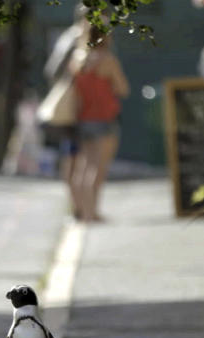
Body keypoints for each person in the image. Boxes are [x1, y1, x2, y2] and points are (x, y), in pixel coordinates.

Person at [68, 24, 129, 223]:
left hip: (83, 119)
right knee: (98, 168)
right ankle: (91, 212)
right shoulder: (107, 60)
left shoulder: (77, 60)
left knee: (83, 166)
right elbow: (122, 89)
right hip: (104, 118)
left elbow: (75, 93)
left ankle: (81, 210)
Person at [42, 8, 85, 210]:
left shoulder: (73, 36)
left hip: (81, 105)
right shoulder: (76, 36)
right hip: (75, 106)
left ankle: (78, 205)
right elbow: (54, 70)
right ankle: (76, 205)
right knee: (74, 154)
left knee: (77, 155)